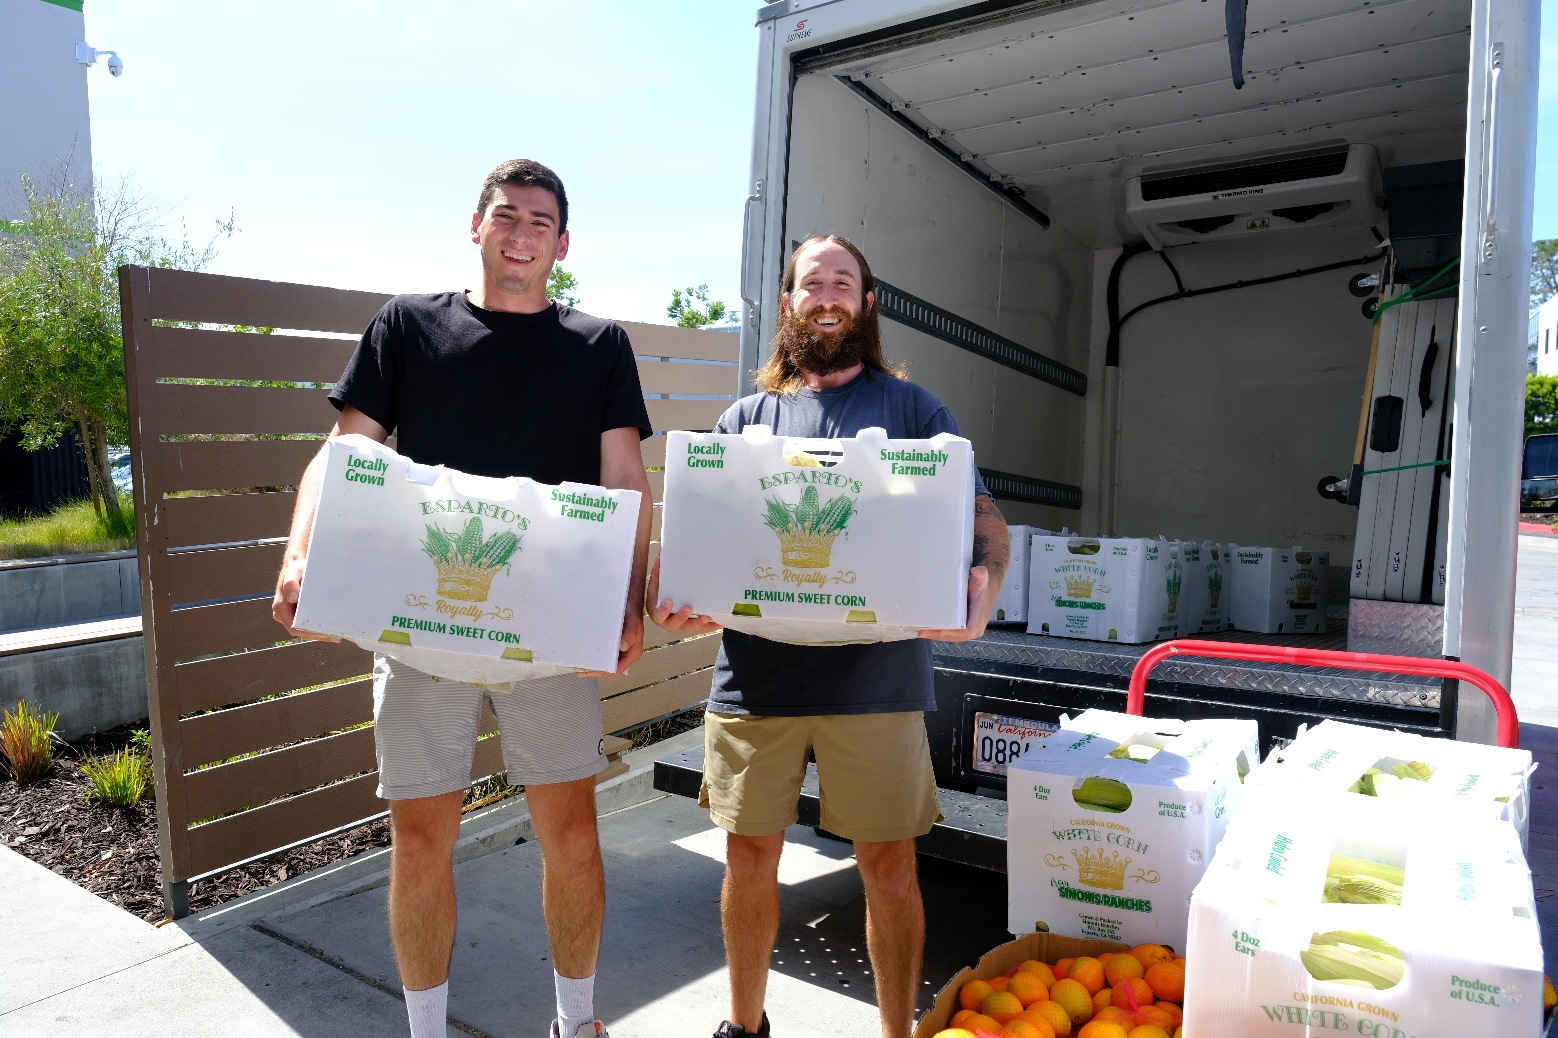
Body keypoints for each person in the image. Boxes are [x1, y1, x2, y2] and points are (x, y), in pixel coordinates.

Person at [272, 159, 652, 1038]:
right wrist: (300, 554)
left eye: (541, 222)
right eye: (507, 215)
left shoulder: (599, 346)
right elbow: (343, 454)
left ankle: (577, 1023)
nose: (522, 234)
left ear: (564, 243)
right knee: (420, 843)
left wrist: (626, 602)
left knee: (574, 841)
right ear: (474, 225)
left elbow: (625, 474)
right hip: (419, 633)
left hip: (551, 638)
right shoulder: (407, 326)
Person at [648, 234, 1010, 1038]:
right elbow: (701, 541)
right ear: (788, 304)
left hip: (877, 682)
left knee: (888, 866)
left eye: (842, 282)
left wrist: (981, 581)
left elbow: (984, 517)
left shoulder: (915, 411)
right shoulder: (746, 418)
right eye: (811, 283)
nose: (826, 297)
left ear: (867, 302)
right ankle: (743, 1027)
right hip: (754, 680)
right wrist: (674, 596)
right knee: (748, 860)